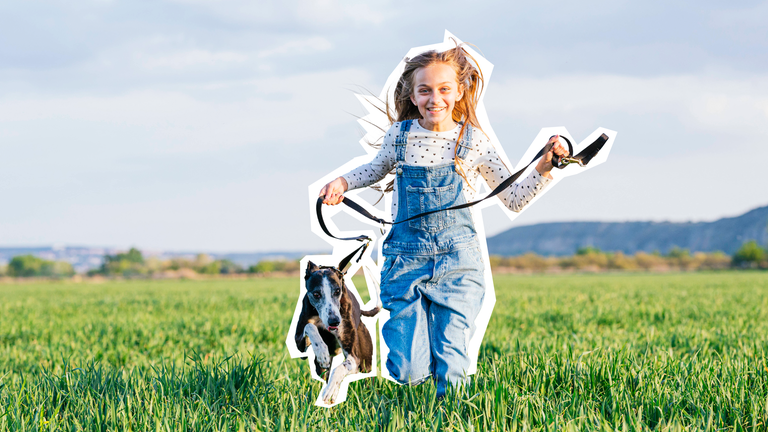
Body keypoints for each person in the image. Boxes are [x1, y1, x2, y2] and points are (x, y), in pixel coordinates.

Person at [319, 45, 568, 398]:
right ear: (413, 94)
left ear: (460, 92)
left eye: (444, 89)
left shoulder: (474, 141)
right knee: (406, 370)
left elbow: (513, 198)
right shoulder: (400, 137)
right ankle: (419, 401)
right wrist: (343, 183)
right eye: (425, 90)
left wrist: (544, 168)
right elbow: (374, 169)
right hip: (406, 261)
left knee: (451, 365)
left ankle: (449, 417)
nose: (435, 98)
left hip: (458, 264)